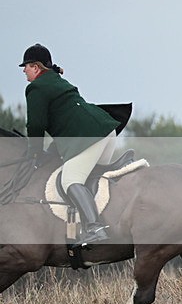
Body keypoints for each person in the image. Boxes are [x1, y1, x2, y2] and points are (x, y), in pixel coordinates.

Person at [20, 43, 120, 244]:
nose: (24, 70)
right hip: (106, 131)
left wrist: (35, 153)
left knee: (70, 181)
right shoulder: (56, 80)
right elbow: (66, 119)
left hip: (89, 137)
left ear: (37, 67)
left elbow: (36, 125)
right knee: (85, 180)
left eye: (27, 66)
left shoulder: (36, 88)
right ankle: (78, 230)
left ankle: (96, 228)